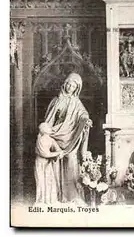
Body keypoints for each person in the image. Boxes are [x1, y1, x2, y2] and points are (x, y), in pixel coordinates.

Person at [39, 73, 93, 204]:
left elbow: (83, 114)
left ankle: (71, 196)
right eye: (69, 84)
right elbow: (49, 119)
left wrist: (86, 120)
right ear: (65, 83)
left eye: (73, 86)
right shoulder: (56, 100)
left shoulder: (76, 102)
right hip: (54, 136)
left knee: (71, 161)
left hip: (70, 138)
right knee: (54, 162)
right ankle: (56, 196)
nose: (70, 87)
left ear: (77, 88)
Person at [34, 122, 64, 205]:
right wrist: (57, 154)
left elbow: (58, 149)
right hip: (40, 163)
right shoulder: (40, 140)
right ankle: (42, 201)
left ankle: (51, 200)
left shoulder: (51, 139)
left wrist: (60, 152)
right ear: (43, 130)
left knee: (49, 181)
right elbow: (45, 154)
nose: (50, 128)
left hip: (48, 163)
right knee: (41, 182)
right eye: (48, 127)